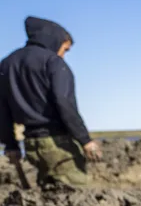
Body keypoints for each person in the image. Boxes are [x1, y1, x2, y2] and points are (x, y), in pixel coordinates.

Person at [0, 17, 102, 188]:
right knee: (80, 198)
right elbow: (65, 103)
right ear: (55, 41)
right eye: (65, 49)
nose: (63, 55)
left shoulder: (6, 64)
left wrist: (11, 145)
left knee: (50, 197)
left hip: (31, 145)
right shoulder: (53, 63)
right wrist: (85, 141)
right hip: (58, 144)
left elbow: (2, 109)